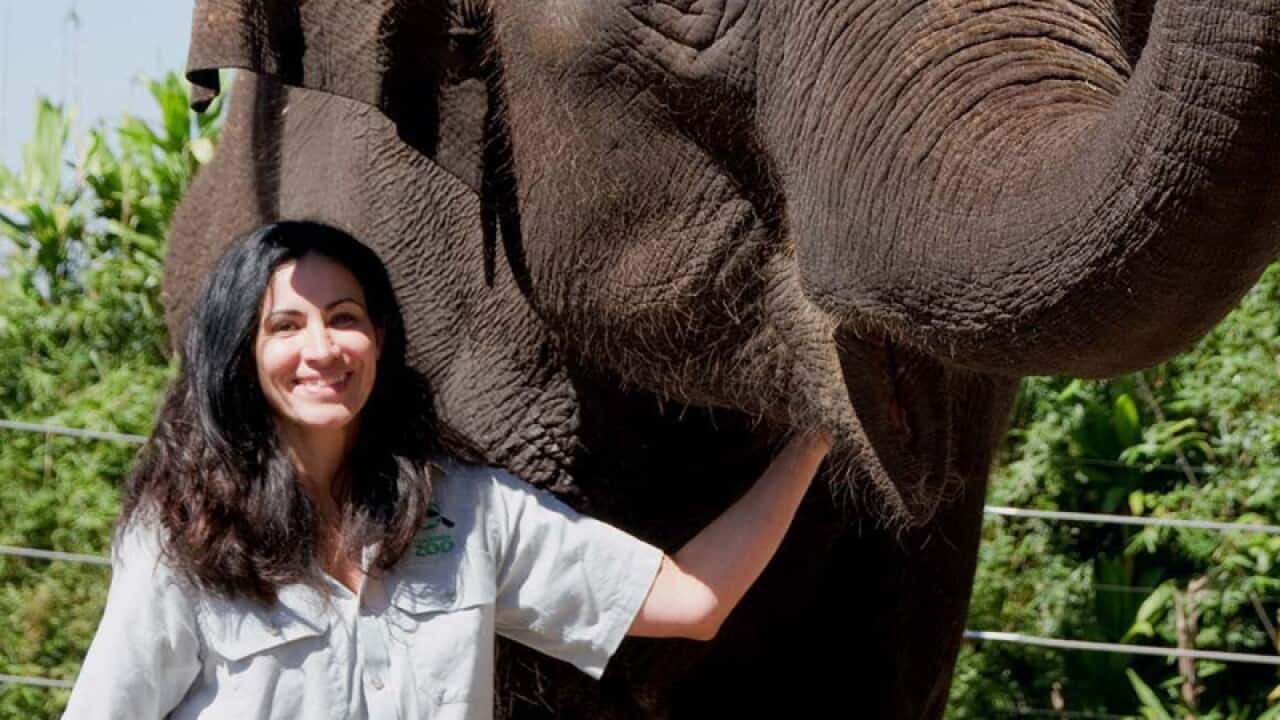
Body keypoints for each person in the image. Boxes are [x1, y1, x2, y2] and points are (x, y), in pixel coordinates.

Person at [62, 221, 832, 719]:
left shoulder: (468, 513)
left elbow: (693, 598)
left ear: (380, 340)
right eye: (286, 326)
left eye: (345, 319)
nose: (322, 349)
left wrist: (815, 440)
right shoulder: (185, 539)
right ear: (242, 354)